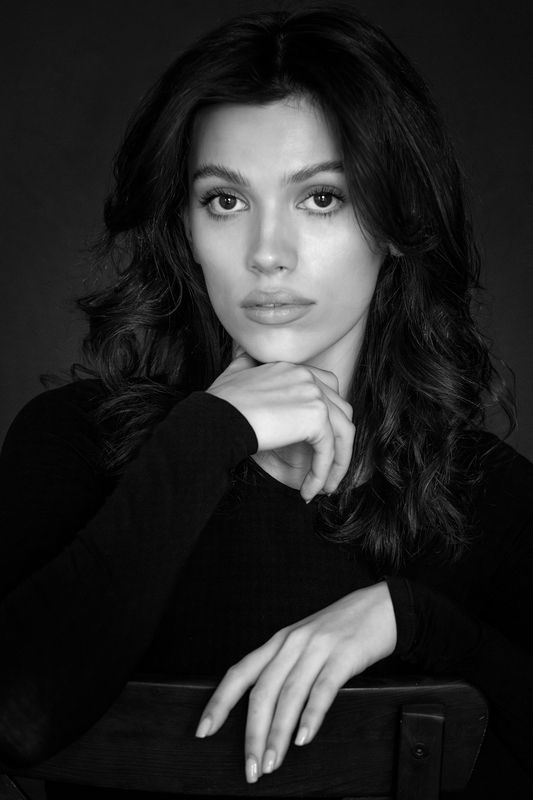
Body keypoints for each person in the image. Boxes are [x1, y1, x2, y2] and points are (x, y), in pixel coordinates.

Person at [1, 3, 532, 798]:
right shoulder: (72, 441)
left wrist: (412, 622)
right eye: (225, 200)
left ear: (396, 222)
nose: (267, 255)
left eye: (320, 198)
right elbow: (14, 718)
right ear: (184, 227)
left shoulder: (488, 497)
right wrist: (212, 432)